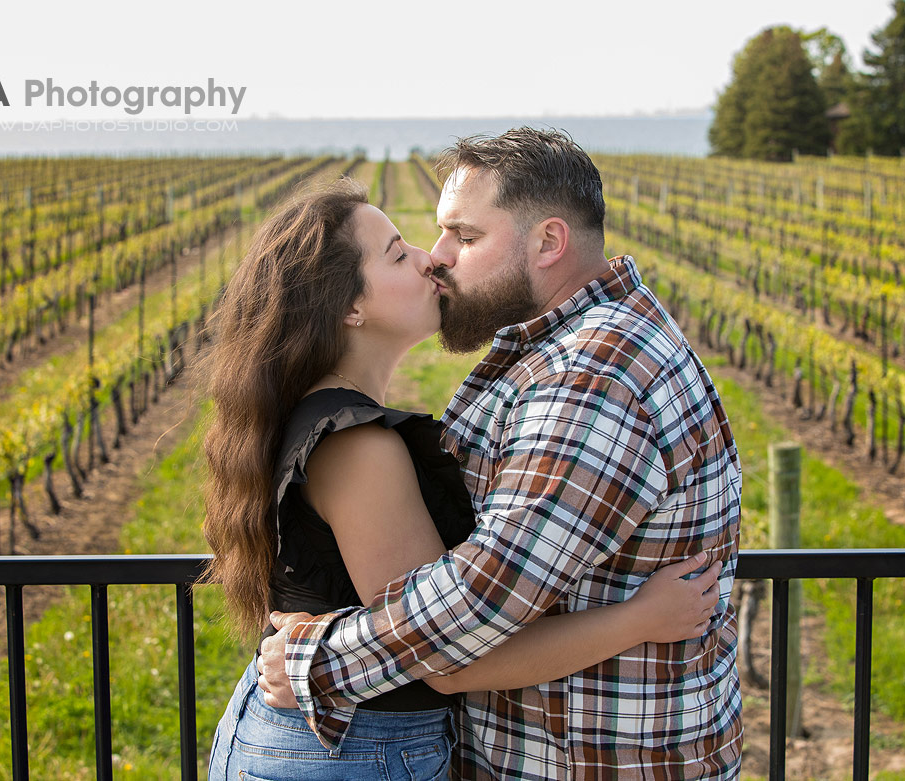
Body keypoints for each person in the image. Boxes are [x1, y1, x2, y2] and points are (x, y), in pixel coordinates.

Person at [255, 128, 744, 780]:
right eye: (435, 235)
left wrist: (316, 661)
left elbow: (479, 600)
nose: (439, 256)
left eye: (466, 235)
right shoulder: (564, 346)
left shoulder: (592, 379)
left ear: (548, 241)